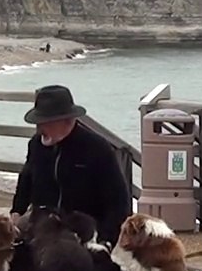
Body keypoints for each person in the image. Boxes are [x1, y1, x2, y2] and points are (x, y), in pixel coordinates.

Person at [10, 85, 132, 245]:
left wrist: (106, 241)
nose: (39, 128)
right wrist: (17, 211)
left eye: (45, 122)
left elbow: (118, 201)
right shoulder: (36, 144)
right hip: (42, 223)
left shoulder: (96, 148)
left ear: (67, 121)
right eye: (38, 122)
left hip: (84, 229)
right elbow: (26, 179)